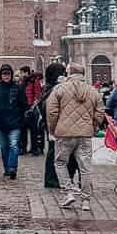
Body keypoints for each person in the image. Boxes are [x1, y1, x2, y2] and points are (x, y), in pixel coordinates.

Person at [45, 61, 105, 212]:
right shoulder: (92, 91)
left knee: (60, 163)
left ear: (69, 73)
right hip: (84, 134)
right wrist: (94, 127)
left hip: (64, 133)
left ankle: (68, 191)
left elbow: (51, 112)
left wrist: (53, 129)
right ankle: (85, 200)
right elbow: (100, 113)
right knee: (85, 167)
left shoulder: (59, 89)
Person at [0, 64, 26, 180]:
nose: (6, 76)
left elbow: (23, 104)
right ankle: (7, 168)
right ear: (0, 75)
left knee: (13, 145)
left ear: (11, 75)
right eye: (4, 74)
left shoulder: (17, 88)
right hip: (1, 122)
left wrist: (20, 117)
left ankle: (12, 168)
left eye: (8, 74)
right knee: (4, 147)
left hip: (14, 122)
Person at [40, 59, 67, 189]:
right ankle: (51, 179)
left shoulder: (47, 88)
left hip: (52, 124)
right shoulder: (53, 89)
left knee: (54, 151)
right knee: (53, 152)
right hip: (54, 124)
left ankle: (52, 178)